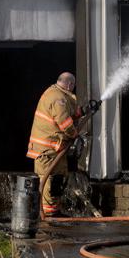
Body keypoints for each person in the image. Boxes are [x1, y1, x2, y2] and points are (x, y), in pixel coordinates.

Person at [26, 72, 82, 217]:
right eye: (73, 85)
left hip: (54, 148)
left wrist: (81, 112)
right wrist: (74, 134)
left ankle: (53, 211)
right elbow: (64, 122)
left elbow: (69, 112)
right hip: (47, 149)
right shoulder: (58, 98)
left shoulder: (58, 94)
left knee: (57, 178)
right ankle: (48, 216)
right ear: (69, 84)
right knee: (49, 181)